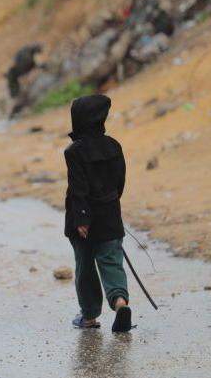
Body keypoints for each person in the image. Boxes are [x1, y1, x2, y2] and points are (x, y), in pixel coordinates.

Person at [64, 95, 131, 333]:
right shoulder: (114, 146)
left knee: (85, 268)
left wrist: (82, 218)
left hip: (83, 219)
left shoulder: (75, 151)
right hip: (111, 214)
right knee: (112, 262)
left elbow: (78, 187)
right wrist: (111, 206)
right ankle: (120, 302)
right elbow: (119, 182)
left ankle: (89, 317)